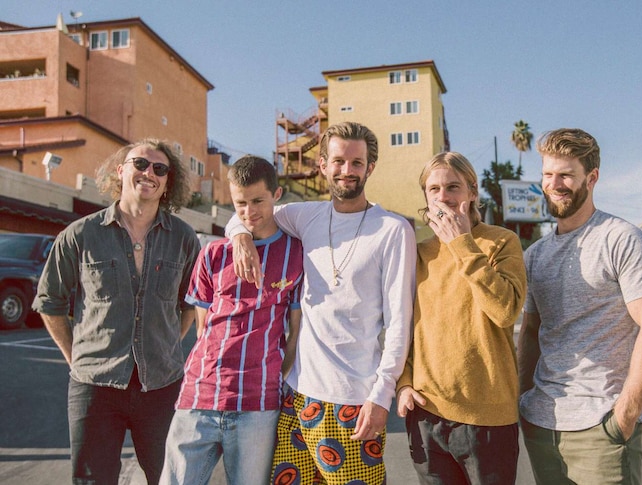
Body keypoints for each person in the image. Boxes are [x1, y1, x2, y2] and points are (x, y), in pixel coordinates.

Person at [227, 121, 416, 484]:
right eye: (339, 161)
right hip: (296, 396)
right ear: (323, 165)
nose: (347, 171)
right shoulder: (305, 215)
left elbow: (399, 323)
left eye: (357, 163)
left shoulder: (393, 230)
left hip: (354, 401)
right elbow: (249, 213)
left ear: (370, 168)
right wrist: (239, 237)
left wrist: (381, 396)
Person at [33, 139, 200, 484]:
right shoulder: (80, 234)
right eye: (139, 163)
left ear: (168, 182)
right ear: (120, 170)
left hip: (162, 385)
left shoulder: (183, 238)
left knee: (170, 478)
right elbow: (49, 301)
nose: (148, 173)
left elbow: (191, 302)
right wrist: (75, 356)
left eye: (160, 168)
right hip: (94, 386)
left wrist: (168, 343)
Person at [517, 128, 642, 485]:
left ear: (592, 178)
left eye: (566, 175)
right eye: (547, 174)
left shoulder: (622, 239)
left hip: (602, 428)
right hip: (542, 424)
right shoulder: (534, 256)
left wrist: (625, 414)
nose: (554, 184)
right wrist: (522, 398)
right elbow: (530, 330)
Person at [160, 156, 304, 485]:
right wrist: (238, 234)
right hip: (199, 398)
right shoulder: (213, 254)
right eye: (240, 203)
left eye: (258, 201)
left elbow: (294, 337)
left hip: (258, 405)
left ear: (277, 194)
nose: (249, 212)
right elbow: (202, 329)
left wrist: (272, 379)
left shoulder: (295, 254)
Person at [396, 152, 526, 484]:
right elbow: (404, 326)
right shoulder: (419, 251)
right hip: (427, 415)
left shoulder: (501, 242)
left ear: (472, 191)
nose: (442, 196)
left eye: (452, 186)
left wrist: (462, 244)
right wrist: (404, 383)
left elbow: (506, 311)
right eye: (433, 188)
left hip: (488, 419)